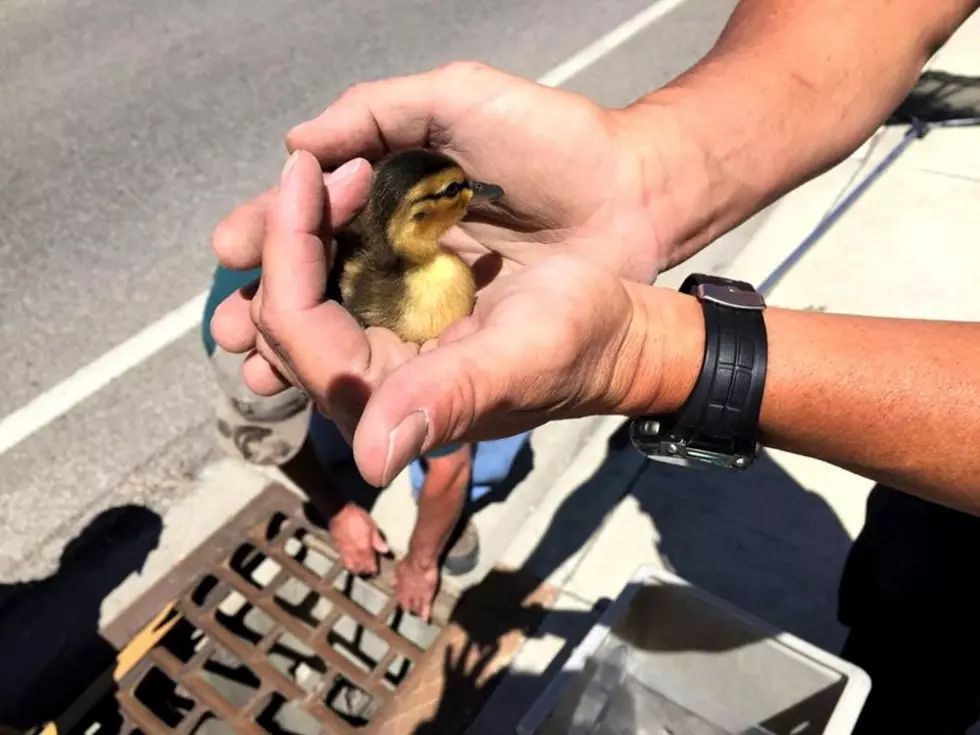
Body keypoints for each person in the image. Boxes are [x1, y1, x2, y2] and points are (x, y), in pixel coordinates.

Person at [208, 1, 980, 732]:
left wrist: (658, 352)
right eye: (453, 198)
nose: (477, 201)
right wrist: (639, 174)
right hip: (934, 529)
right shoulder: (406, 271)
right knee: (905, 635)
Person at [201, 264, 531, 622]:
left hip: (447, 308)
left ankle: (450, 506)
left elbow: (451, 467)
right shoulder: (226, 327)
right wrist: (338, 512)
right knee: (337, 444)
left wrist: (421, 563)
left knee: (480, 440)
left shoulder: (397, 332)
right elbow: (267, 437)